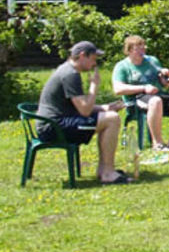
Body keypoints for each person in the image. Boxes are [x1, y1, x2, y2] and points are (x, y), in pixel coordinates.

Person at [36, 41, 128, 185]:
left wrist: (104, 107)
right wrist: (94, 87)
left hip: (54, 123)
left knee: (109, 116)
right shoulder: (70, 74)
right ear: (82, 55)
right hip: (53, 128)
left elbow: (78, 106)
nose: (95, 64)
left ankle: (104, 170)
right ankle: (108, 172)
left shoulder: (67, 70)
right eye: (93, 58)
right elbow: (84, 111)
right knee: (112, 119)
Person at [112, 35, 169, 150]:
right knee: (155, 101)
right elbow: (118, 89)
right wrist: (143, 88)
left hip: (157, 94)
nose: (142, 51)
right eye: (138, 48)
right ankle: (157, 143)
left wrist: (165, 79)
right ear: (129, 50)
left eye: (143, 47)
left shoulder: (152, 61)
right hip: (136, 99)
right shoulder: (122, 66)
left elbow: (163, 82)